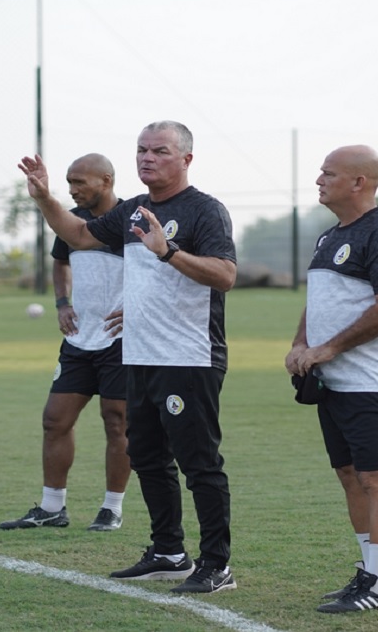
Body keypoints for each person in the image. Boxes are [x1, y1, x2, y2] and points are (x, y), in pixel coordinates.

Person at [19, 120, 238, 594]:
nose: (147, 158)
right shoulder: (134, 210)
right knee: (147, 456)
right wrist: (44, 198)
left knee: (199, 463)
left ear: (186, 160)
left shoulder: (205, 210)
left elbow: (224, 275)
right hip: (138, 355)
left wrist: (168, 250)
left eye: (160, 150)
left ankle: (216, 564)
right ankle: (168, 552)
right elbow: (77, 235)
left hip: (189, 357)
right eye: (141, 149)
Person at [284, 145, 378, 614]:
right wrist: (302, 344)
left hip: (377, 380)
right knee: (349, 475)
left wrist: (329, 348)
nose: (318, 179)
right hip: (334, 381)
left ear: (359, 182)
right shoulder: (329, 237)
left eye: (329, 173)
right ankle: (372, 573)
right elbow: (318, 301)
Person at [0, 153, 130, 532]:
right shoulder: (71, 222)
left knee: (116, 422)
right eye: (69, 182)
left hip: (121, 339)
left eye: (80, 182)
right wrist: (61, 303)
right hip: (79, 338)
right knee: (54, 419)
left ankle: (112, 508)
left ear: (106, 181)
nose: (73, 189)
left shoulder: (128, 220)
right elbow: (61, 262)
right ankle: (52, 507)